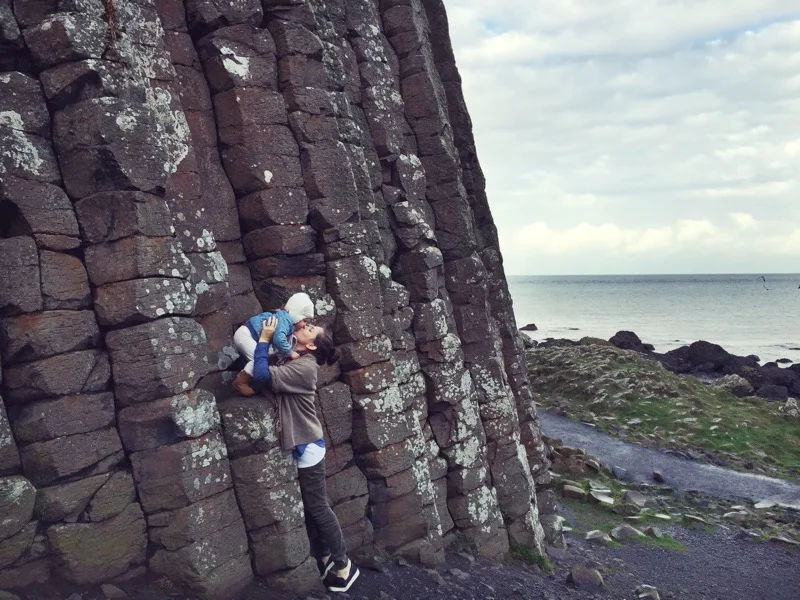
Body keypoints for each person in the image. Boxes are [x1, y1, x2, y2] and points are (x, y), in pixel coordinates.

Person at [252, 315, 360, 594]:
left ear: (311, 345)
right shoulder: (296, 357)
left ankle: (344, 564)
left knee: (319, 508)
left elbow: (262, 375)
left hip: (308, 445)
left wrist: (264, 340)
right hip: (304, 441)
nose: (304, 326)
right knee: (314, 505)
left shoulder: (305, 367)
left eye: (310, 329)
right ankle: (324, 557)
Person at [231, 292, 314, 396]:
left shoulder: (285, 320)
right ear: (297, 316)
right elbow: (279, 339)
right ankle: (240, 383)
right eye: (304, 321)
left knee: (262, 358)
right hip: (247, 335)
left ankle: (246, 377)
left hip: (248, 335)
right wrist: (290, 352)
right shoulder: (285, 321)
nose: (305, 325)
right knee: (258, 359)